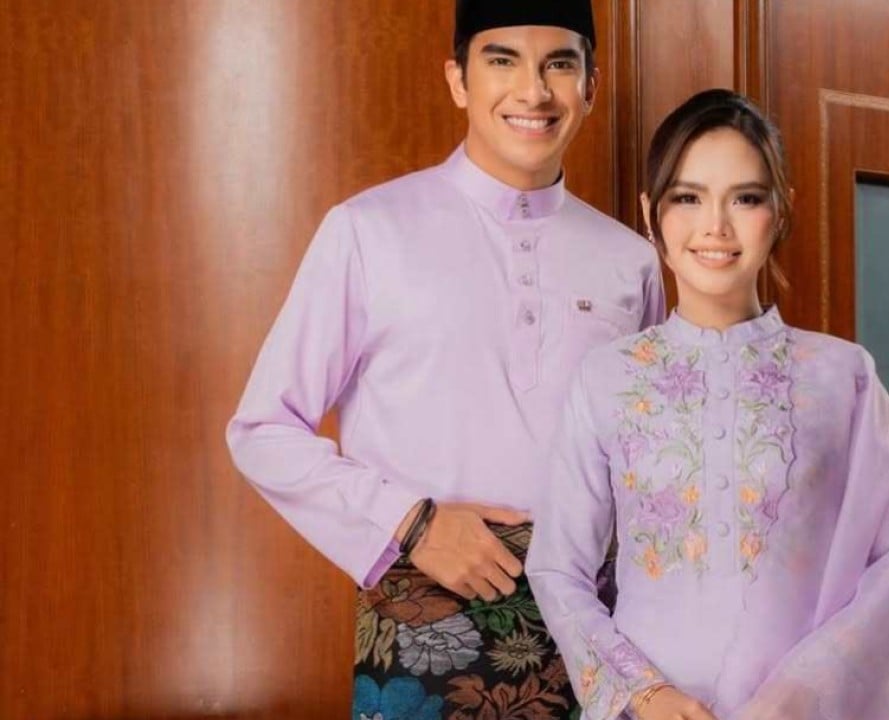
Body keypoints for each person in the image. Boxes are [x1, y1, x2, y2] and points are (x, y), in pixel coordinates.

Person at [226, 2, 665, 716]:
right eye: (503, 60)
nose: (533, 91)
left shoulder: (630, 261)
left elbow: (651, 460)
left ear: (591, 86)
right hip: (427, 618)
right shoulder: (368, 231)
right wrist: (413, 522)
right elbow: (261, 431)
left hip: (599, 625)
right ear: (459, 80)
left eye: (559, 63)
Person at [526, 89, 889, 720]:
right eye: (687, 198)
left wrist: (798, 695)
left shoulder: (841, 376)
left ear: (781, 211)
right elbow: (558, 569)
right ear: (650, 213)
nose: (715, 227)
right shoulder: (606, 378)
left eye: (745, 198)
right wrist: (645, 694)